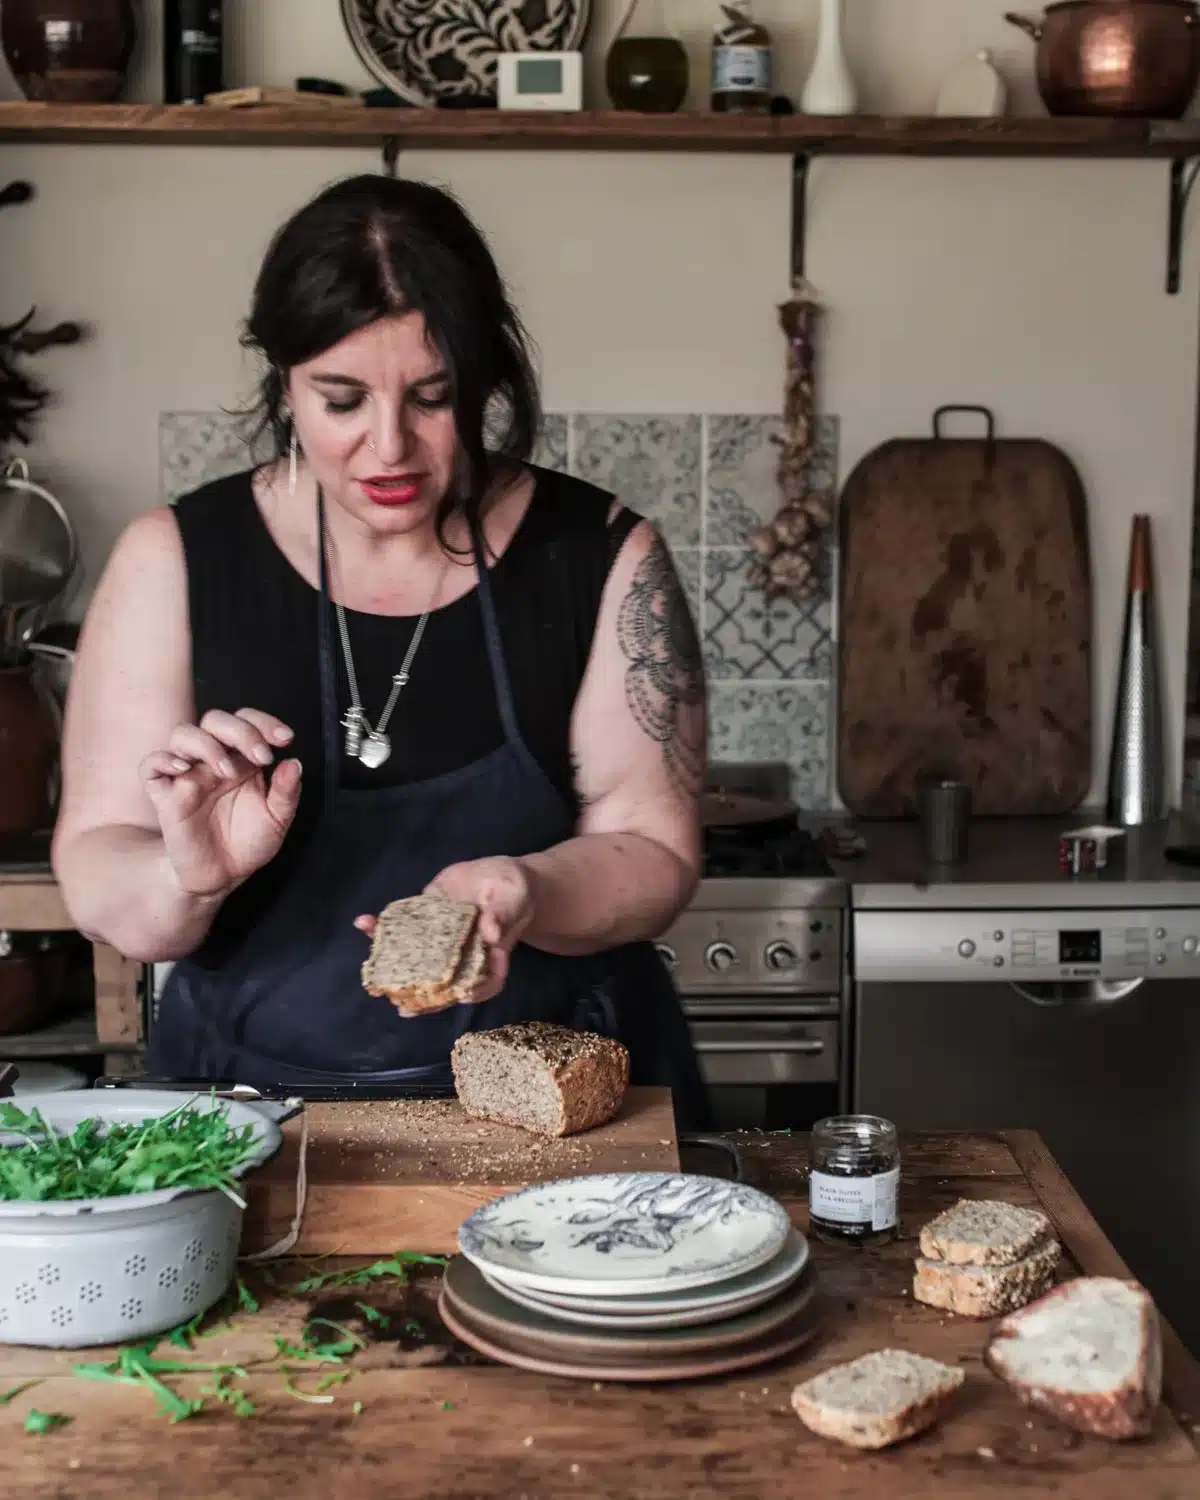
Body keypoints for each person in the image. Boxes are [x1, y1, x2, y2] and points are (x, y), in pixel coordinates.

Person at [51, 173, 712, 1128]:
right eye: (342, 399)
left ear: (483, 377)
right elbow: (99, 868)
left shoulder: (601, 556)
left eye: (434, 396)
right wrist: (187, 875)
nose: (389, 446)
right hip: (245, 1113)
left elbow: (655, 850)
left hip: (563, 1114)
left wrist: (525, 892)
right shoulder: (177, 560)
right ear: (283, 380)